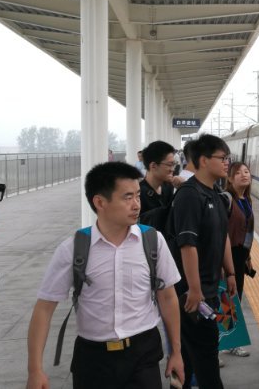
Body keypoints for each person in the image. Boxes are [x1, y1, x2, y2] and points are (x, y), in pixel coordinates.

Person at [26, 162, 184, 389]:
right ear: (100, 202)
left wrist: (176, 352)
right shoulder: (74, 248)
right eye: (127, 197)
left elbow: (168, 298)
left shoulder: (152, 241)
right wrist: (35, 370)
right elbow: (44, 308)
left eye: (138, 196)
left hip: (143, 354)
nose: (136, 204)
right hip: (93, 359)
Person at [169, 134, 237, 389]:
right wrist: (195, 290)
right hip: (191, 295)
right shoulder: (189, 195)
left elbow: (223, 235)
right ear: (204, 160)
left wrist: (230, 272)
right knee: (207, 359)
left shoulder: (216, 194)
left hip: (208, 289)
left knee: (189, 358)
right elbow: (187, 245)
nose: (227, 162)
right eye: (223, 158)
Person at [223, 161, 256, 358]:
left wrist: (248, 256)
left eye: (246, 171)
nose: (244, 175)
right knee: (226, 299)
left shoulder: (247, 200)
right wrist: (225, 265)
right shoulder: (226, 199)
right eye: (238, 173)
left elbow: (247, 232)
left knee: (234, 298)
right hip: (227, 256)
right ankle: (222, 343)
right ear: (229, 178)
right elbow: (221, 232)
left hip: (240, 255)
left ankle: (230, 342)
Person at [140, 140, 176, 216]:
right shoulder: (139, 193)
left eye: (174, 165)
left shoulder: (168, 186)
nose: (172, 169)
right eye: (170, 165)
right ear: (153, 166)